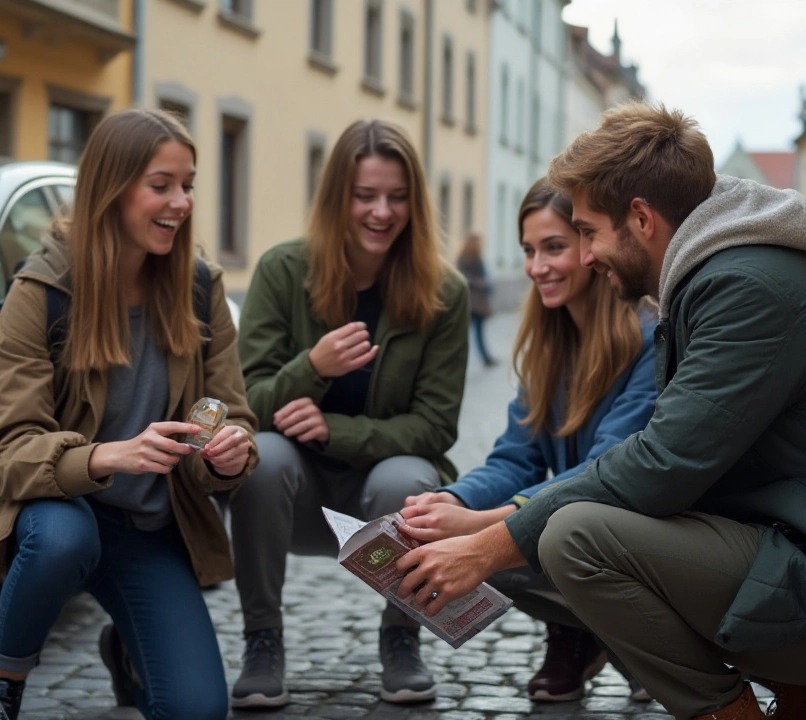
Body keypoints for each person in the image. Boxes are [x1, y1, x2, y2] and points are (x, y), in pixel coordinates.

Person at [393, 102, 806, 720]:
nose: (583, 257)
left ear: (640, 218)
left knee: (578, 538)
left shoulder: (744, 288)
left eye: (585, 231)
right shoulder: (720, 276)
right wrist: (475, 516)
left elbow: (659, 464)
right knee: (579, 526)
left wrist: (486, 545)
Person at [0, 108, 258, 720]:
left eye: (189, 184)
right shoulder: (42, 293)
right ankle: (1, 682)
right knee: (63, 538)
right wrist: (103, 456)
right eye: (162, 185)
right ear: (111, 189)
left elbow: (230, 415)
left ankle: (127, 650)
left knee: (199, 709)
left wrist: (230, 453)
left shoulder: (202, 291)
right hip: (58, 513)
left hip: (148, 529)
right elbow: (7, 452)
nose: (181, 202)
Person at [229, 118, 470, 708]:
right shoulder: (282, 271)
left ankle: (401, 637)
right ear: (338, 197)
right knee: (263, 458)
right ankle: (263, 640)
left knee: (410, 477)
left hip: (375, 495)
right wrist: (311, 366)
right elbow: (243, 402)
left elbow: (435, 426)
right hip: (292, 497)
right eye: (365, 196)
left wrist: (337, 430)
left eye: (396, 196)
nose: (381, 212)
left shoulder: (445, 293)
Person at [401, 178, 656, 704]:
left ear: (591, 248)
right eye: (529, 250)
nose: (538, 266)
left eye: (554, 247)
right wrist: (454, 500)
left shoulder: (649, 337)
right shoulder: (550, 345)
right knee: (443, 539)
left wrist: (476, 528)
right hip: (573, 529)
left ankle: (634, 640)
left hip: (636, 538)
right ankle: (577, 633)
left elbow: (604, 475)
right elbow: (515, 458)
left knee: (485, 548)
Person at [456, 231, 498, 367]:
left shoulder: (478, 258)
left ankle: (485, 358)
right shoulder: (463, 259)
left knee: (477, 333)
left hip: (478, 302)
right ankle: (459, 359)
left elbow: (487, 278)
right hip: (468, 302)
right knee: (463, 334)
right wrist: (477, 282)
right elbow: (460, 277)